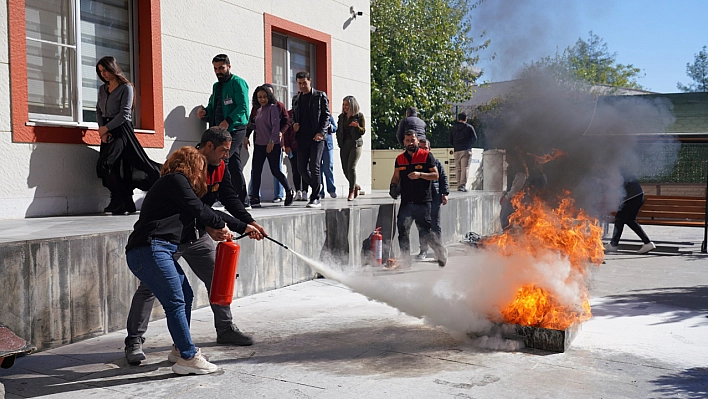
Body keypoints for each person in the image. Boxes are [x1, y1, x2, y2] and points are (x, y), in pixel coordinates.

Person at [123, 127, 267, 365]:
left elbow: (226, 200)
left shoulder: (219, 167)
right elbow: (197, 207)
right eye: (223, 151)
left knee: (217, 279)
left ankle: (224, 328)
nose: (225, 157)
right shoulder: (183, 172)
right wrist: (216, 224)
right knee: (152, 288)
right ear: (207, 147)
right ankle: (135, 340)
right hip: (166, 240)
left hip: (197, 235)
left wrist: (247, 223)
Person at [95, 56, 161, 214]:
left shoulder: (126, 88)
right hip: (108, 130)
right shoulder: (102, 89)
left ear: (113, 68)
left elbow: (125, 114)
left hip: (122, 130)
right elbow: (98, 110)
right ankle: (123, 201)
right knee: (114, 167)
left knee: (110, 163)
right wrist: (102, 129)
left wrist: (106, 128)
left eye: (105, 70)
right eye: (100, 71)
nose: (103, 74)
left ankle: (164, 179)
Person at [389, 131, 448, 268]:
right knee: (403, 231)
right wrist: (393, 186)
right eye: (407, 140)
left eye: (413, 140)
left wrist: (420, 174)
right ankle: (406, 261)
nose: (410, 143)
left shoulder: (426, 155)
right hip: (406, 201)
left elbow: (435, 175)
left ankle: (440, 253)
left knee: (426, 232)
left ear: (417, 141)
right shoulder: (399, 159)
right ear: (404, 142)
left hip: (423, 201)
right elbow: (396, 176)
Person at [197, 54, 250, 206]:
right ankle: (242, 199)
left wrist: (228, 121)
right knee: (233, 164)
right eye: (215, 68)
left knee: (221, 159)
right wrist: (205, 112)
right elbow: (213, 107)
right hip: (219, 131)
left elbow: (243, 107)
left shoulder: (238, 83)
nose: (218, 71)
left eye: (221, 68)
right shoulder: (217, 86)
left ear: (229, 66)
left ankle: (218, 195)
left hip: (236, 128)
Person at [248, 86, 295, 207]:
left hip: (272, 144)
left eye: (264, 96)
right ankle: (254, 197)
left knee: (276, 171)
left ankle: (289, 191)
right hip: (259, 144)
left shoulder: (273, 108)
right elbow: (258, 126)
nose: (262, 99)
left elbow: (275, 126)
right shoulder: (258, 110)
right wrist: (247, 130)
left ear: (269, 96)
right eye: (260, 97)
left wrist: (271, 142)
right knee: (256, 171)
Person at [292, 71, 331, 208]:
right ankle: (317, 188)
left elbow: (327, 116)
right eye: (299, 83)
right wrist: (294, 124)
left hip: (317, 137)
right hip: (302, 137)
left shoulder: (320, 96)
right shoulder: (296, 99)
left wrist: (321, 132)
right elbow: (294, 117)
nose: (302, 86)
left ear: (310, 81)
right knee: (301, 168)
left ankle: (315, 197)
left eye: (305, 83)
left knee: (314, 165)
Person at [606, 175, 656, 254]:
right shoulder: (622, 168)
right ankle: (648, 243)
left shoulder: (618, 169)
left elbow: (617, 183)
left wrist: (602, 182)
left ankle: (613, 245)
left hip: (632, 197)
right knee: (630, 220)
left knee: (619, 218)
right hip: (638, 196)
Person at [417, 138, 449, 259]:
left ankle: (438, 251)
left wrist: (444, 193)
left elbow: (443, 179)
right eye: (421, 148)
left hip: (434, 198)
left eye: (425, 148)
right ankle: (423, 250)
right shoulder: (415, 164)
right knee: (422, 226)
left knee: (435, 225)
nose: (423, 150)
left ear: (429, 149)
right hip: (421, 199)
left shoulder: (436, 163)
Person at [336, 95, 366, 201]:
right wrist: (339, 141)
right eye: (344, 105)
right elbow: (338, 131)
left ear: (352, 105)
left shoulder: (359, 116)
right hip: (344, 145)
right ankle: (355, 185)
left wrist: (356, 126)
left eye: (347, 105)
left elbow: (363, 131)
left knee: (351, 167)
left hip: (355, 144)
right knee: (345, 169)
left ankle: (351, 191)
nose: (345, 107)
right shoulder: (341, 117)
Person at [448, 112, 477, 192]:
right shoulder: (469, 127)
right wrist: (468, 144)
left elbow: (450, 140)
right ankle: (462, 185)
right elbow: (474, 138)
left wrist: (455, 145)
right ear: (466, 119)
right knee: (465, 168)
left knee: (458, 168)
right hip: (466, 150)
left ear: (458, 119)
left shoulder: (452, 128)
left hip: (456, 150)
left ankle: (458, 185)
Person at [283, 109, 307, 201]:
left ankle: (305, 190)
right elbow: (286, 131)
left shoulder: (307, 113)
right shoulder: (289, 114)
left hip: (305, 146)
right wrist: (287, 145)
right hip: (293, 146)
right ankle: (298, 191)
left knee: (305, 168)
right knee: (295, 169)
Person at [319, 114, 337, 199]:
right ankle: (320, 191)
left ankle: (331, 189)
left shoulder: (328, 116)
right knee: (318, 169)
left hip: (328, 145)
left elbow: (335, 128)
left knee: (328, 166)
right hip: (318, 144)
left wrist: (331, 126)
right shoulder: (315, 115)